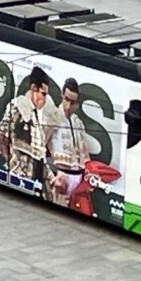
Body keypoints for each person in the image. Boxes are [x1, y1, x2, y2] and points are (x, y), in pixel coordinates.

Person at [0, 66, 53, 193]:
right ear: (33, 89)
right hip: (21, 173)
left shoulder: (37, 114)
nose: (44, 99)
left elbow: (39, 152)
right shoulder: (18, 106)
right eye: (42, 94)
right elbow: (0, 134)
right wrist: (11, 161)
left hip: (35, 173)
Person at [45, 78, 93, 208]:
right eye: (66, 99)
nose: (68, 106)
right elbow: (38, 149)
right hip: (61, 175)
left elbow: (85, 154)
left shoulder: (78, 122)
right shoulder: (52, 117)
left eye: (72, 102)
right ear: (62, 96)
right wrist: (51, 177)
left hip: (78, 178)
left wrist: (88, 179)